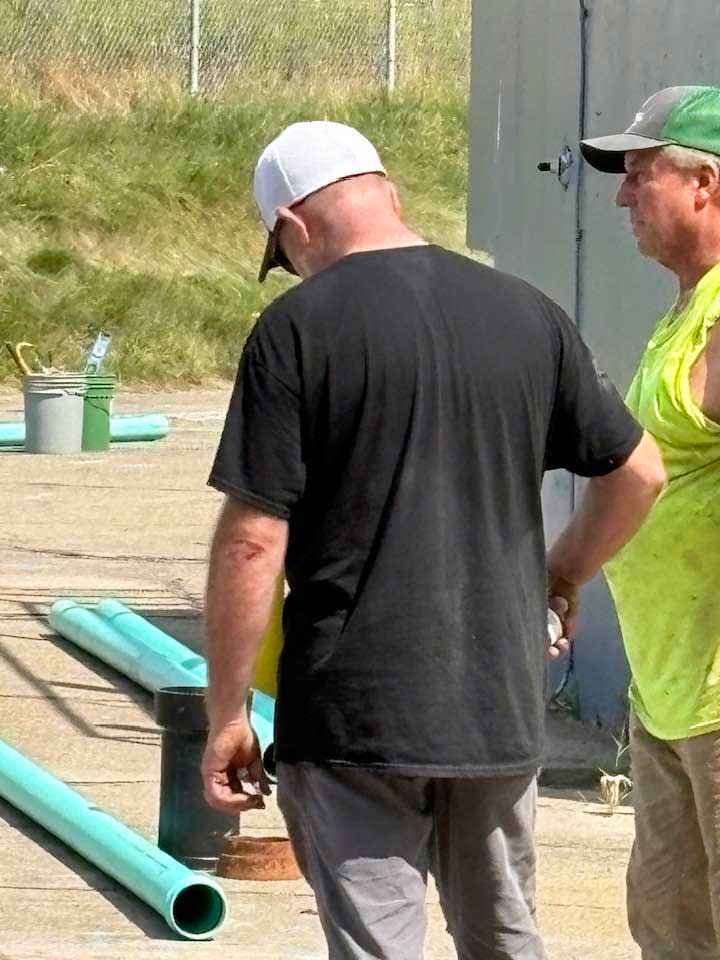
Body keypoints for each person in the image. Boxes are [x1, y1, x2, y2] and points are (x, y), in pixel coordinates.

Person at [201, 120, 665, 960]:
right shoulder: (528, 313)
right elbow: (638, 473)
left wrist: (227, 710)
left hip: (355, 714)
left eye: (286, 251)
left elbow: (252, 541)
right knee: (504, 938)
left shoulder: (295, 331)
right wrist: (559, 576)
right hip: (496, 701)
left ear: (296, 227)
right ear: (390, 194)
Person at [580, 85, 720, 959]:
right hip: (669, 700)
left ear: (705, 183)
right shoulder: (684, 312)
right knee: (672, 932)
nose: (624, 196)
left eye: (641, 175)